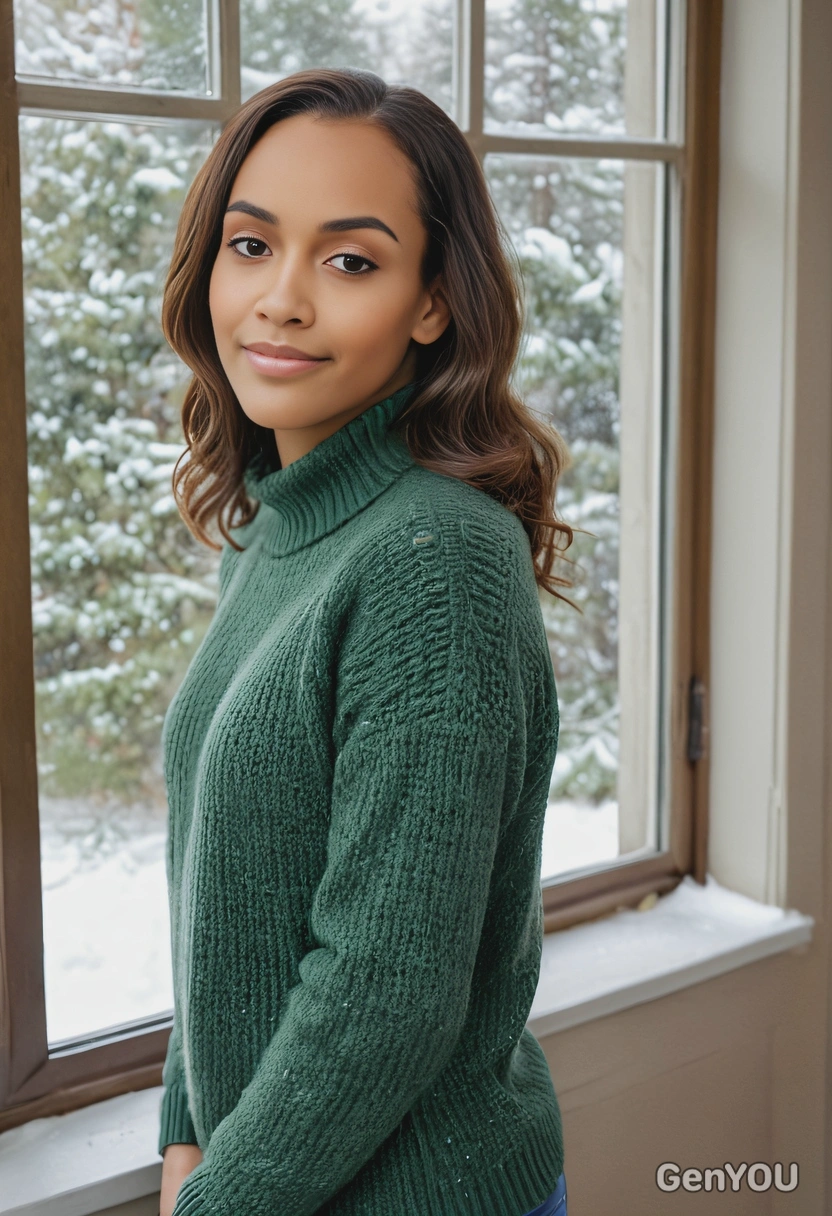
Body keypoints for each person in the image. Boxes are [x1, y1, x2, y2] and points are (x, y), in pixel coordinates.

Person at [156, 66, 574, 1216]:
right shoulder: (282, 520)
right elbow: (226, 895)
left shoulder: (435, 562)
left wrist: (215, 1204)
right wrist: (184, 1128)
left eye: (349, 261)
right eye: (251, 245)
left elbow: (385, 987)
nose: (281, 300)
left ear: (432, 302)